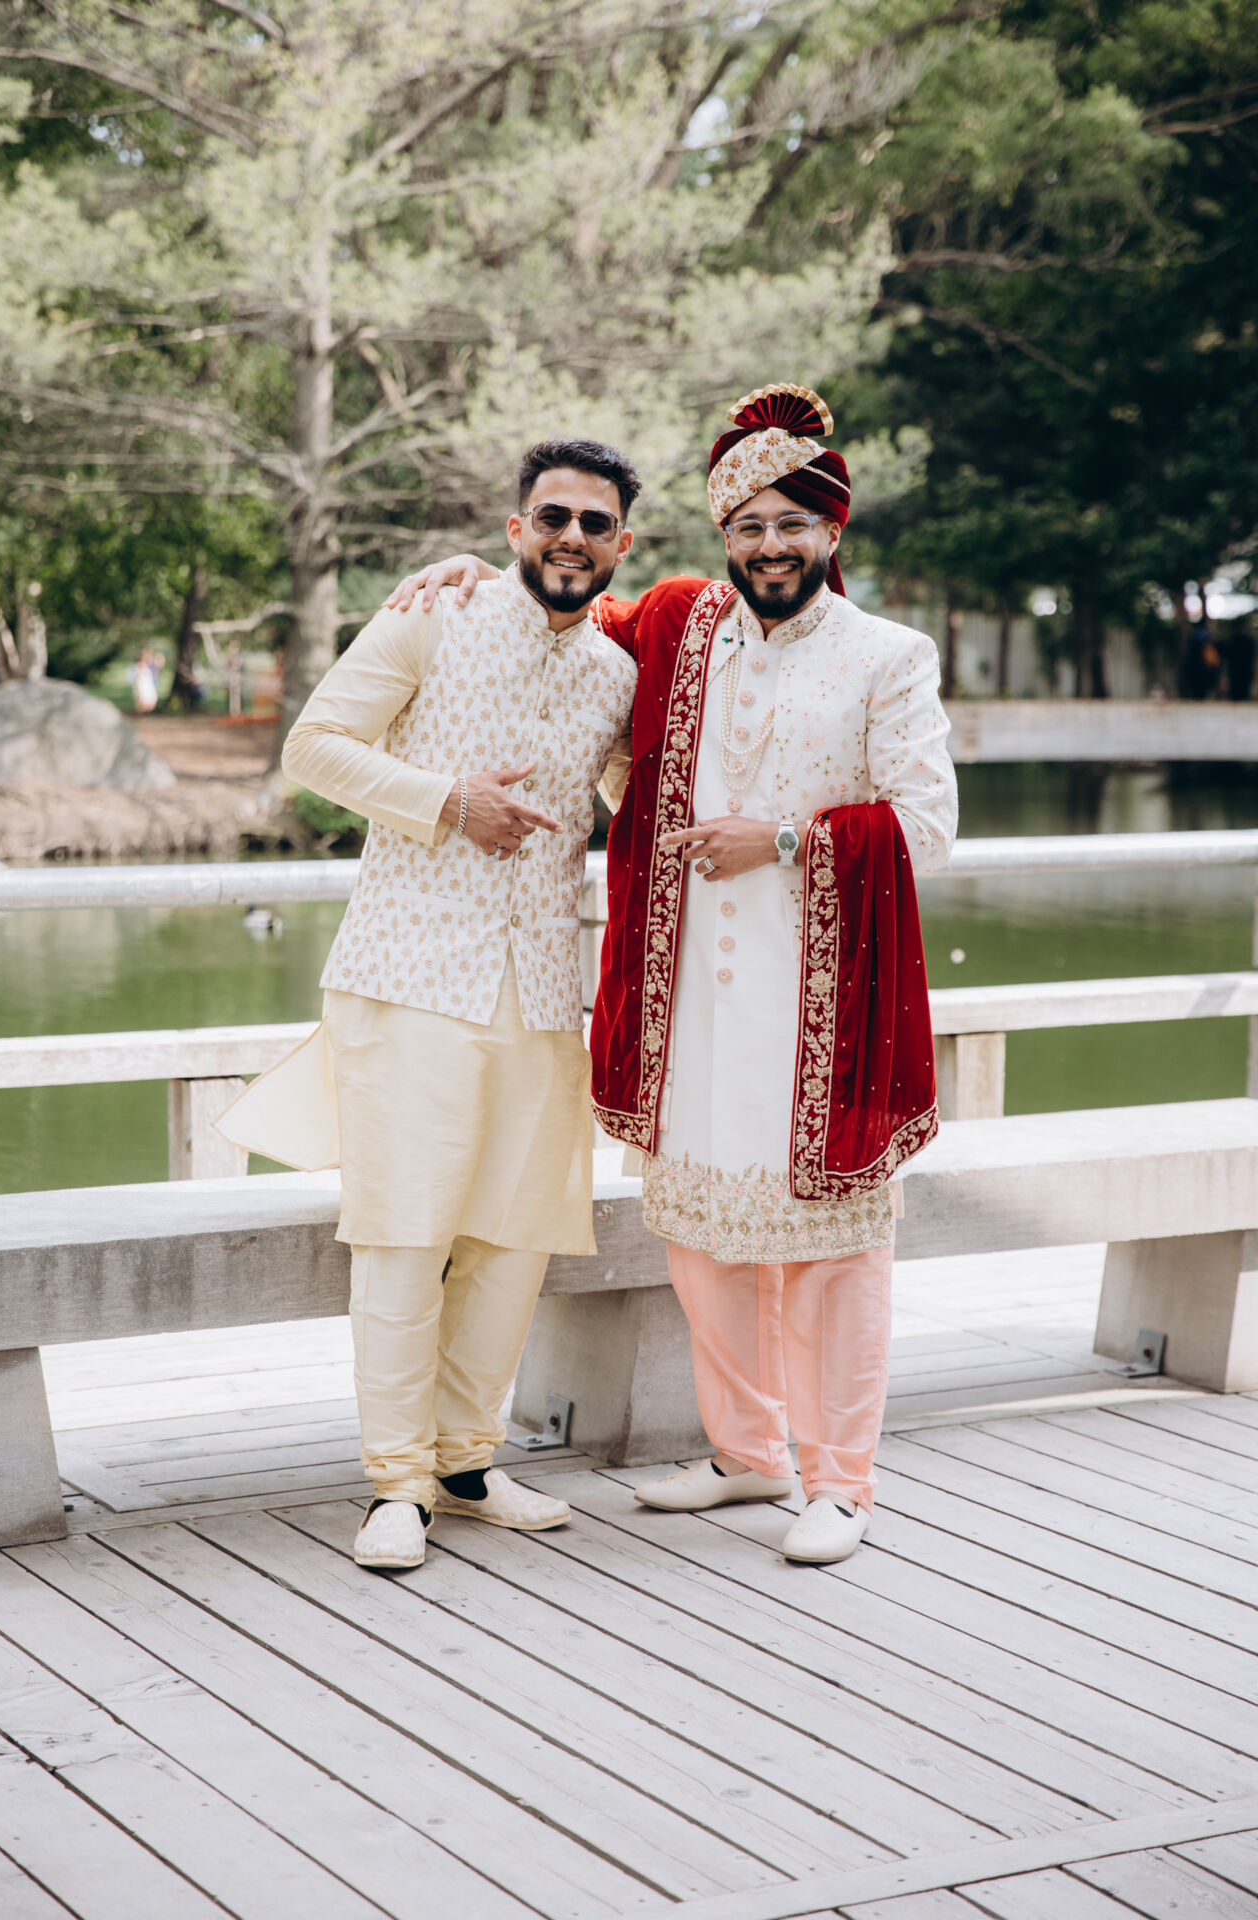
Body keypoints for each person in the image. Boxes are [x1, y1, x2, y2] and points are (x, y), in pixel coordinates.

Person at [390, 384, 957, 1565]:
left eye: (790, 525)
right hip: (690, 996)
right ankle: (750, 1454)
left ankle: (838, 1482)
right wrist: (470, 571)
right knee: (703, 1236)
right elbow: (562, 595)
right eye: (746, 526)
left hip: (819, 1006)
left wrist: (784, 839)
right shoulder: (683, 626)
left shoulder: (886, 656)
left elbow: (925, 827)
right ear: (721, 535)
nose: (768, 546)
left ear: (831, 530)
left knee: (829, 1248)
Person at [220, 438, 639, 1571]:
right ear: (514, 529)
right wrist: (448, 800)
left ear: (621, 545)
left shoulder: (615, 674)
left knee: (513, 1236)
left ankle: (465, 1464)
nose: (571, 537)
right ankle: (394, 1484)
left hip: (543, 988)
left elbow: (638, 796)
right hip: (411, 975)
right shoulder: (430, 616)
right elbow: (314, 747)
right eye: (551, 517)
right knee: (404, 1236)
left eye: (594, 523)